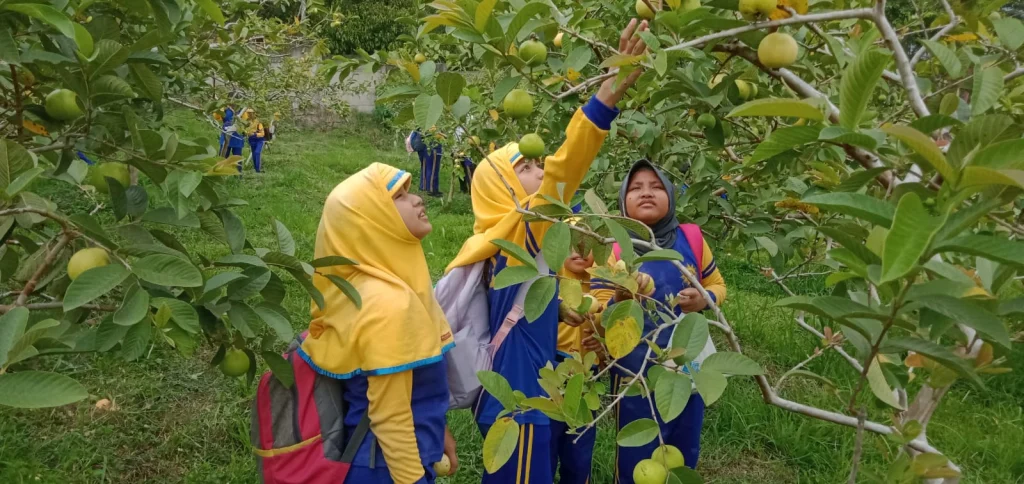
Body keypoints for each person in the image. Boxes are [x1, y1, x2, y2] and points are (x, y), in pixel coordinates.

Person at [444, 18, 648, 484]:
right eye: (528, 166)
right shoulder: (515, 233)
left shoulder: (514, 245)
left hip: (532, 390)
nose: (541, 170)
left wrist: (556, 308)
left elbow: (515, 303)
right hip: (519, 402)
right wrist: (608, 96)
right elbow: (566, 169)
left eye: (540, 164)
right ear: (504, 188)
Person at [297, 163, 458, 483]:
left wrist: (439, 432)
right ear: (369, 222)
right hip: (388, 468)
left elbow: (406, 393)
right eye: (399, 196)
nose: (417, 200)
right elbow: (390, 417)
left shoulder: (361, 289)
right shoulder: (388, 305)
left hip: (381, 458)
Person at [591, 160, 727, 483]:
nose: (646, 193)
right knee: (637, 458)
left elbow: (718, 286)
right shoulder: (613, 250)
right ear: (623, 200)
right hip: (635, 371)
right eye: (636, 188)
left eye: (655, 186)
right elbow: (595, 311)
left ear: (670, 195)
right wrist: (620, 300)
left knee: (684, 443)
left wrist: (705, 299)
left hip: (688, 364)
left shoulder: (691, 237)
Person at [409, 128, 443, 197]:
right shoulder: (433, 125)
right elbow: (437, 134)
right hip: (432, 147)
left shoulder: (422, 124)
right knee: (433, 169)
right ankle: (432, 190)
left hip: (423, 148)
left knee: (425, 167)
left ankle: (423, 187)